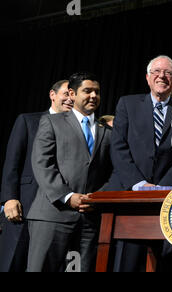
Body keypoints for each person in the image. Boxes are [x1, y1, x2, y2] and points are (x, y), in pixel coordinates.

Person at [108, 55, 172, 271]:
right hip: (131, 195)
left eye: (168, 73)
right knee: (127, 261)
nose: (162, 76)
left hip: (169, 199)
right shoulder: (127, 104)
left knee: (163, 263)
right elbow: (118, 148)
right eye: (156, 71)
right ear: (148, 78)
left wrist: (161, 189)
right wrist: (139, 184)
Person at [26, 72, 112, 272]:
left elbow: (114, 172)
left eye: (97, 92)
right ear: (72, 94)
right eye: (87, 91)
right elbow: (42, 163)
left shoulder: (107, 132)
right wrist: (67, 196)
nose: (93, 96)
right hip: (52, 215)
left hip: (89, 220)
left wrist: (97, 198)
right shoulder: (52, 122)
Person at [0, 80, 72, 272]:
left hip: (57, 211)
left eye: (73, 95)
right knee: (12, 261)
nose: (69, 99)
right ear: (52, 95)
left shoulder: (78, 129)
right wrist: (9, 198)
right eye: (65, 93)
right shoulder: (27, 120)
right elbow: (12, 163)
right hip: (24, 205)